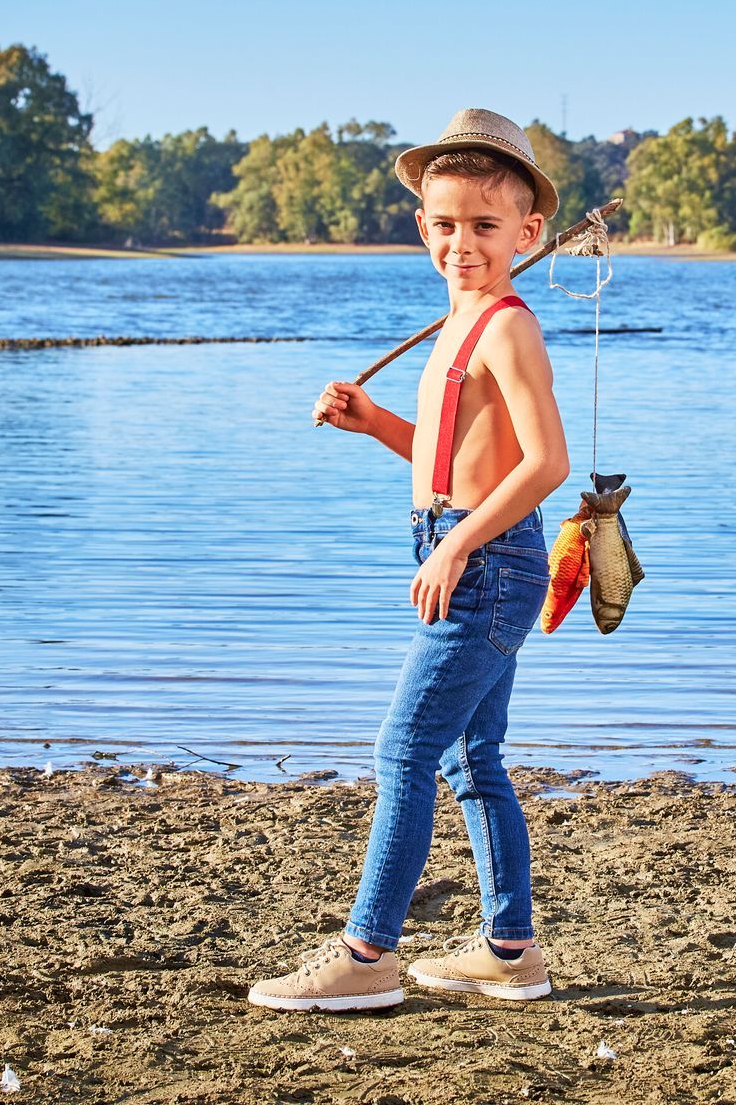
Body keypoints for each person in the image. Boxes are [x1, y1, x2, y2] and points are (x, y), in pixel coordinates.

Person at [248, 109, 571, 1012]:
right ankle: (511, 951)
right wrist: (374, 424)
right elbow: (452, 459)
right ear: (420, 225)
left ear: (527, 233)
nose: (460, 243)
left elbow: (547, 465)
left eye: (483, 226)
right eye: (444, 224)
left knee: (403, 751)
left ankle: (366, 956)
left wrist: (461, 545)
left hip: (490, 560)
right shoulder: (456, 324)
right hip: (464, 545)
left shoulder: (507, 327)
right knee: (474, 759)